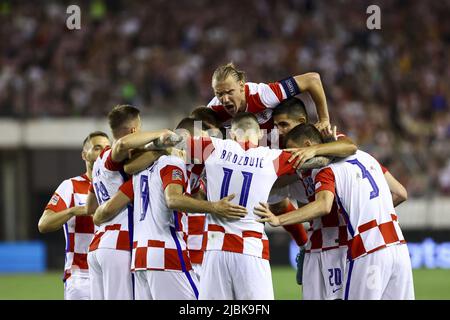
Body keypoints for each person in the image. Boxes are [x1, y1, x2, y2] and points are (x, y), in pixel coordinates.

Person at [255, 124, 414, 300]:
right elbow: (401, 193)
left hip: (368, 248)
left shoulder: (327, 170)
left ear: (309, 146)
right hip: (399, 247)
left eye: (294, 151)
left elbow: (323, 205)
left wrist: (279, 220)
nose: (292, 158)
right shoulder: (367, 157)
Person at [92, 122, 247, 299]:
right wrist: (215, 207)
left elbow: (128, 170)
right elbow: (173, 199)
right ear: (184, 138)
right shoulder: (173, 162)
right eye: (202, 139)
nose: (206, 145)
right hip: (166, 252)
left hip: (140, 256)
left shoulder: (142, 169)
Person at [184, 112, 306, 300]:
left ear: (232, 135)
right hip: (251, 249)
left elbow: (173, 142)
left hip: (215, 249)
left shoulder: (211, 146)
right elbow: (314, 159)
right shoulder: (272, 157)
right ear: (259, 135)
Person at [268, 97, 357, 297]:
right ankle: (303, 246)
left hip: (339, 236)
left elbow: (350, 147)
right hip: (314, 224)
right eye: (276, 126)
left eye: (283, 124)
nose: (279, 131)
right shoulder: (281, 146)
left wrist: (316, 150)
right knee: (274, 197)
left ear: (301, 122)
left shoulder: (321, 137)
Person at [86, 105, 173, 300]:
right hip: (119, 242)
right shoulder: (109, 155)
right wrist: (162, 133)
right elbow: (122, 146)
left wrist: (105, 209)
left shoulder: (98, 165)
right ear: (134, 131)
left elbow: (90, 208)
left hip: (98, 244)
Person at [38, 131, 111, 300]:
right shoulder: (70, 186)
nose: (103, 152)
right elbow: (44, 224)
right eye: (97, 148)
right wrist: (73, 211)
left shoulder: (116, 186)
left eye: (107, 148)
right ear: (84, 155)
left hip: (112, 273)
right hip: (81, 278)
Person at [207, 62, 331, 135]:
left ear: (241, 85)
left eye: (229, 92)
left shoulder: (263, 95)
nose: (225, 99)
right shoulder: (213, 109)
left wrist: (324, 119)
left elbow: (312, 79)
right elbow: (193, 136)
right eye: (219, 94)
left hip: (281, 145)